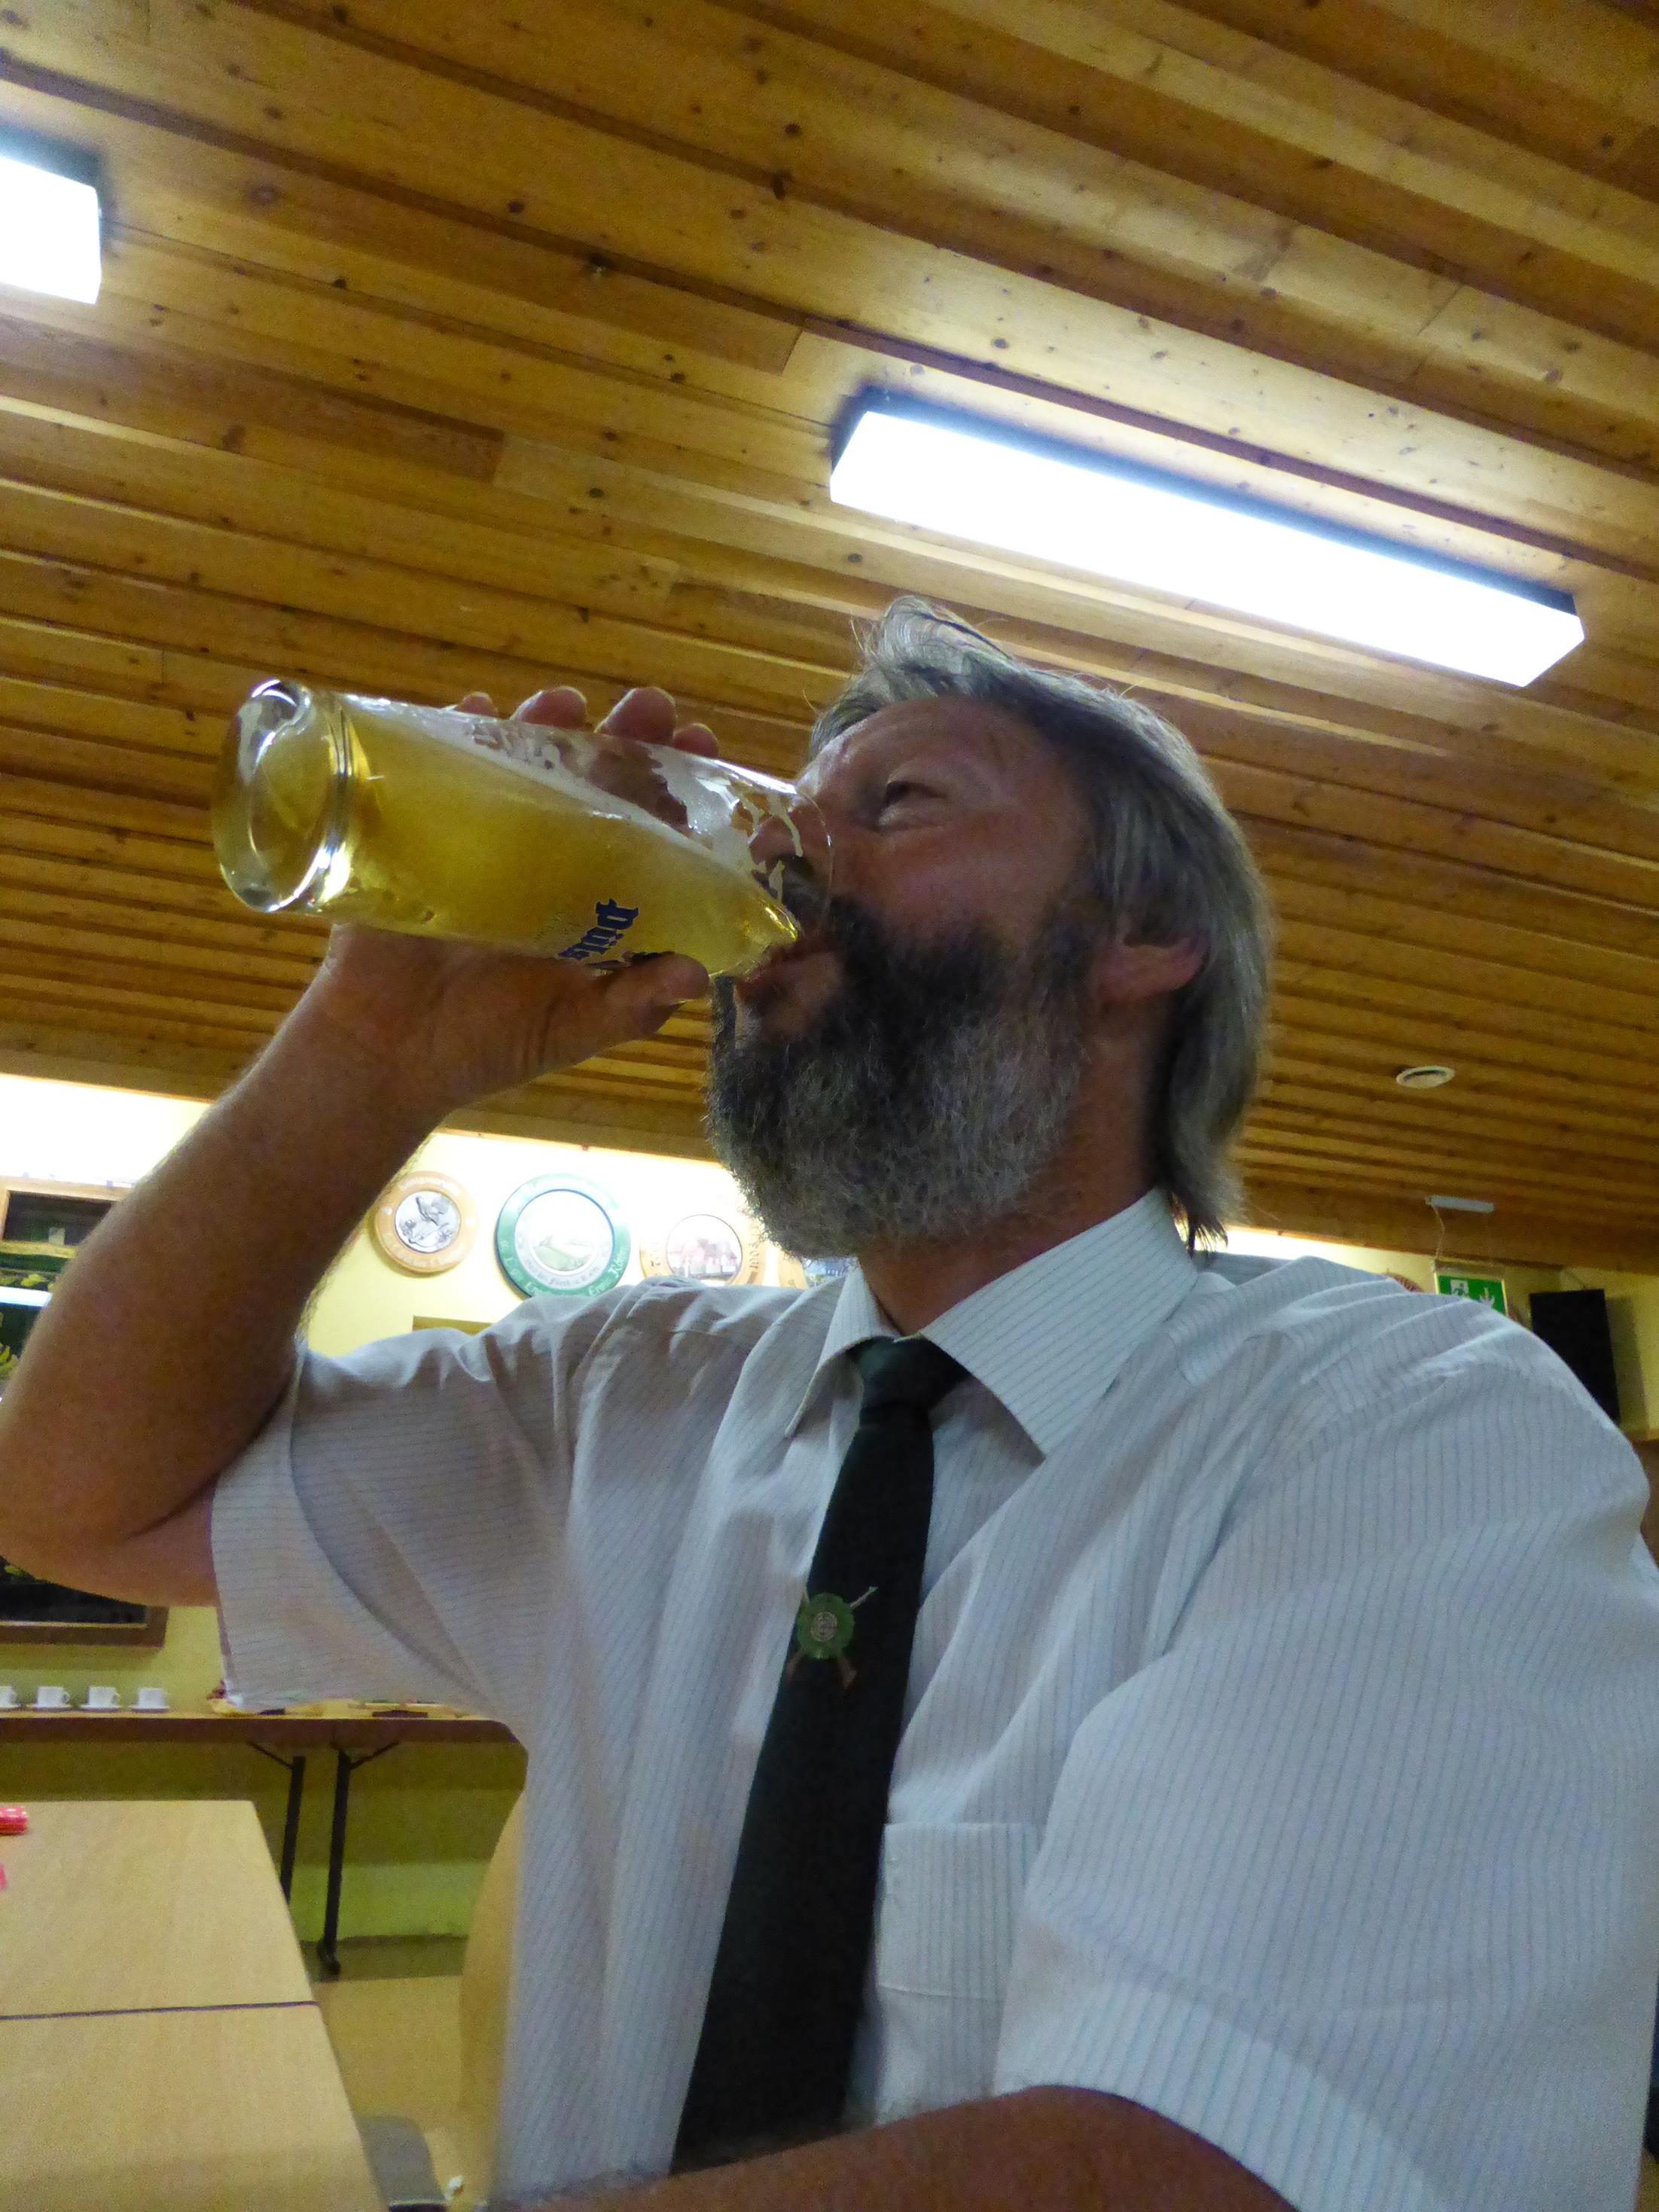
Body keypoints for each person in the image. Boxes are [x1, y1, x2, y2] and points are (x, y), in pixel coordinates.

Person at [1, 598, 1656, 2212]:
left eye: (900, 800)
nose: (786, 859)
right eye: (791, 811)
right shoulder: (620, 1397)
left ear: (1143, 935)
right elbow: (81, 1498)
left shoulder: (1407, 1431)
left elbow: (1214, 2163)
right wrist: (373, 1050)